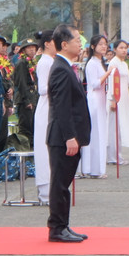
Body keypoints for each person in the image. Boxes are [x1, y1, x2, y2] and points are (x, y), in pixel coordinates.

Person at [46, 24, 91, 243]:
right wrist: (69, 136)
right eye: (76, 40)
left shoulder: (65, 67)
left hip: (67, 135)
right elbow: (61, 107)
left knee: (64, 183)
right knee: (60, 184)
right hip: (62, 137)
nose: (80, 43)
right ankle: (56, 228)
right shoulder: (60, 69)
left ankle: (63, 225)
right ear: (64, 44)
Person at [81, 35, 113, 178]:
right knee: (95, 132)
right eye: (100, 44)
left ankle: (98, 167)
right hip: (94, 99)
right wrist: (108, 73)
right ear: (93, 46)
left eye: (105, 44)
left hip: (101, 98)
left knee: (101, 132)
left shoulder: (101, 62)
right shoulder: (92, 64)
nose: (103, 47)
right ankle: (92, 168)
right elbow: (94, 83)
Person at [33, 29, 56, 205]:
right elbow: (42, 89)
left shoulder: (52, 61)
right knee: (44, 149)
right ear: (47, 43)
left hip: (53, 107)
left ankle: (52, 189)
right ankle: (45, 192)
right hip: (46, 107)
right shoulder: (45, 62)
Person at [12, 39, 39, 147]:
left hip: (33, 97)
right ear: (23, 50)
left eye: (33, 48)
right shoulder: (21, 63)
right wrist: (27, 100)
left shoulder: (31, 62)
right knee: (26, 128)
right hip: (25, 99)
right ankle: (25, 151)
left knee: (33, 127)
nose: (32, 50)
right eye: (29, 48)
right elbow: (21, 83)